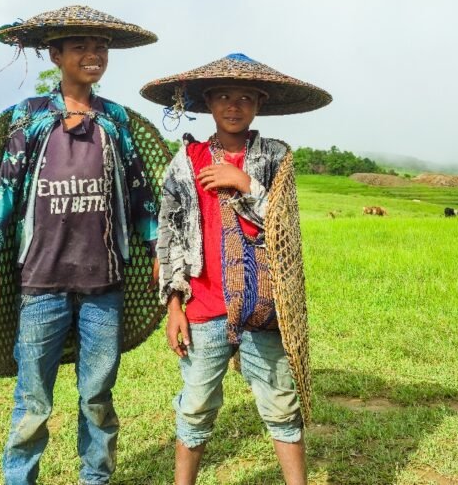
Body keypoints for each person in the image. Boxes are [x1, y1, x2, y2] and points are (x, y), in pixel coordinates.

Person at [0, 5, 162, 485]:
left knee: (97, 396)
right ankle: (19, 479)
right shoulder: (30, 117)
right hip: (41, 284)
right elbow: (3, 195)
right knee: (32, 400)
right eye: (80, 47)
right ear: (55, 54)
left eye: (101, 48)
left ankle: (96, 478)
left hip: (102, 285)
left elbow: (139, 194)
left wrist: (155, 253)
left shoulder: (114, 119)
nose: (93, 55)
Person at [139, 53, 332, 485]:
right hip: (203, 307)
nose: (233, 105)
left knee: (281, 403)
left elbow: (286, 228)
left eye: (245, 97)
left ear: (259, 103)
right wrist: (174, 307)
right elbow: (168, 236)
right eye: (223, 96)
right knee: (195, 405)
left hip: (263, 306)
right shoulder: (185, 161)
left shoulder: (275, 158)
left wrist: (244, 184)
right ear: (207, 102)